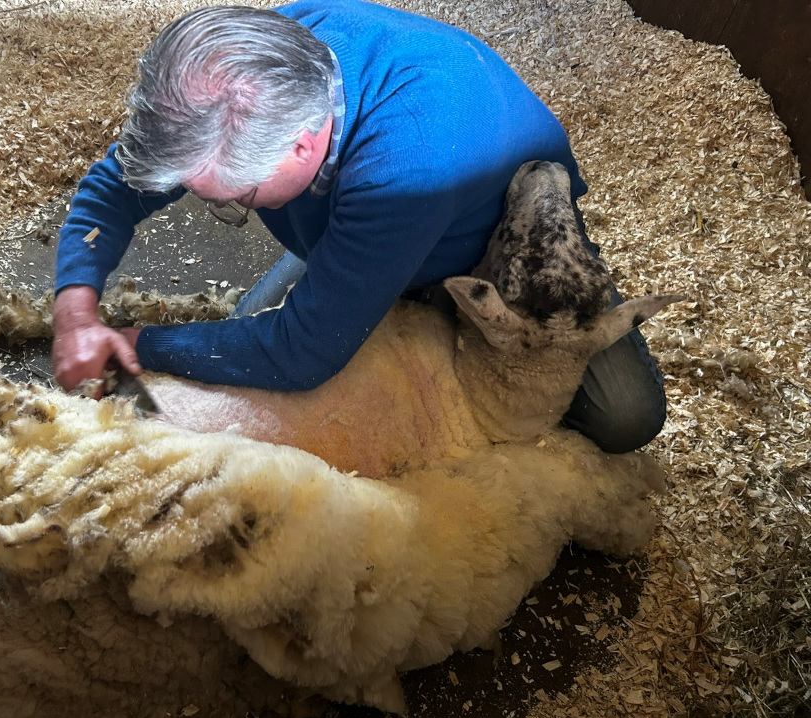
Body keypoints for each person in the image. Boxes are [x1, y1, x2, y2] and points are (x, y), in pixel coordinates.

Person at [52, 0, 666, 453]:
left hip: (504, 248)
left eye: (234, 199)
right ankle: (344, 258)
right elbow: (116, 184)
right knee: (250, 346)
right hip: (380, 207)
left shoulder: (408, 169)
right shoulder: (247, 67)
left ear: (300, 145)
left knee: (625, 418)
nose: (226, 204)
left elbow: (301, 354)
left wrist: (131, 343)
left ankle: (353, 260)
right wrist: (77, 312)